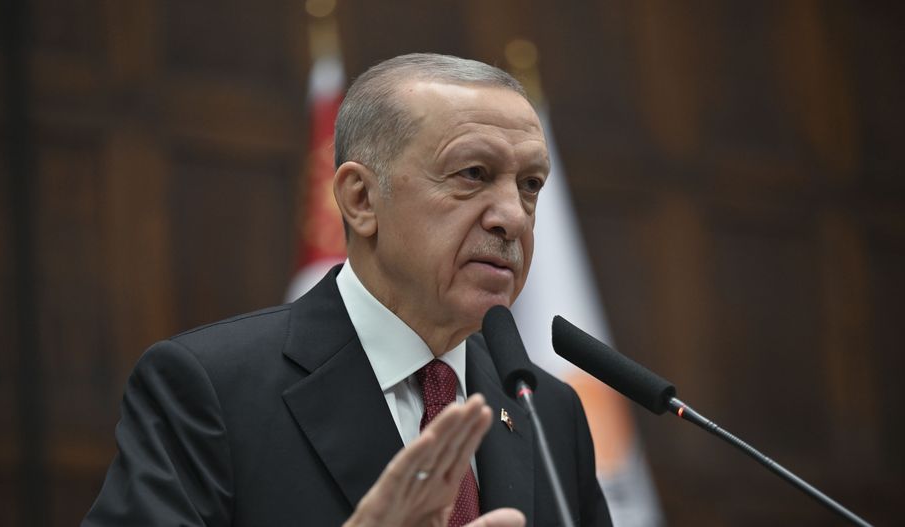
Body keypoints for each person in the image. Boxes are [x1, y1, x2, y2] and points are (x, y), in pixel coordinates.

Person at [83, 53, 612, 526]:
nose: (511, 218)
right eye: (473, 173)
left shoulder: (549, 410)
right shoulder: (210, 389)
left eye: (530, 186)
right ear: (360, 199)